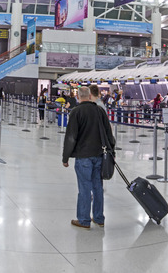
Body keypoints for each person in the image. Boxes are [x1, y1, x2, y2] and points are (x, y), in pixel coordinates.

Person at [62, 86, 115, 229]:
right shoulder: (99, 111)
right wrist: (112, 151)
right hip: (99, 155)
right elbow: (108, 133)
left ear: (78, 97)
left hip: (83, 156)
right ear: (90, 96)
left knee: (84, 188)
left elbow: (71, 137)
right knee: (98, 187)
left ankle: (84, 220)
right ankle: (99, 218)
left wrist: (65, 157)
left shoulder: (76, 112)